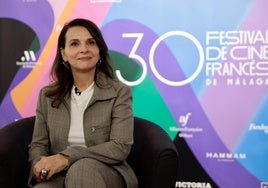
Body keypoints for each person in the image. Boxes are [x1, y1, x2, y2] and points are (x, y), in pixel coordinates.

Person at [28, 18, 138, 188]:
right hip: (59, 174)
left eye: (91, 42)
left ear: (99, 50)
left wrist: (66, 157)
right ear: (63, 54)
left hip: (107, 172)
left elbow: (120, 147)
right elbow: (38, 144)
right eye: (74, 44)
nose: (84, 49)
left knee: (82, 169)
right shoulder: (47, 95)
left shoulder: (119, 92)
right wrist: (40, 165)